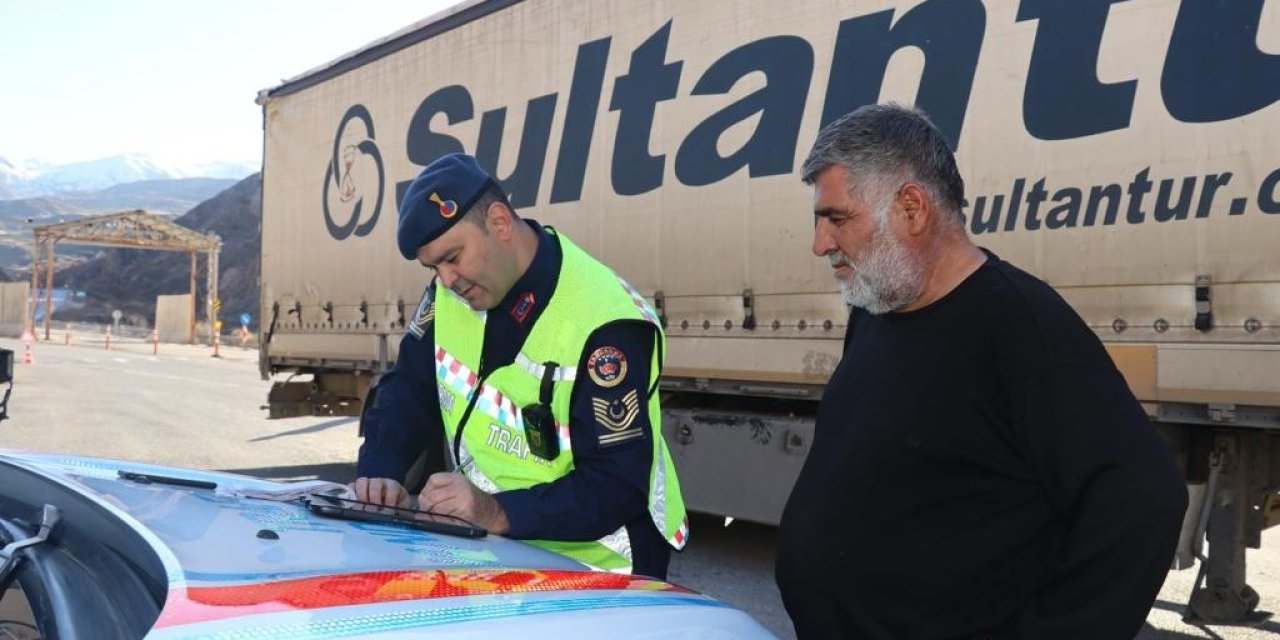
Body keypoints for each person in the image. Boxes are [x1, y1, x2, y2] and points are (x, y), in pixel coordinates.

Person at [774, 104, 1188, 639]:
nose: (820, 244)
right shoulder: (875, 313)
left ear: (912, 207)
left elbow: (1144, 498)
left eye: (837, 218)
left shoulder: (1021, 327)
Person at [351, 153, 688, 579]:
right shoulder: (449, 294)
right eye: (433, 266)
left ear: (499, 222)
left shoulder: (605, 324)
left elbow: (617, 485)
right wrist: (380, 471)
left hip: (601, 564)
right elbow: (407, 389)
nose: (447, 280)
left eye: (453, 257)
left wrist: (495, 511)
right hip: (499, 545)